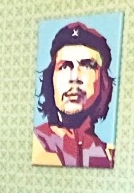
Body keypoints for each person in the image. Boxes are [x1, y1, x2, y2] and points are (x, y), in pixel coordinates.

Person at [32, 21, 117, 168]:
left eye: (87, 65)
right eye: (65, 66)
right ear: (50, 78)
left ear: (103, 81)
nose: (74, 77)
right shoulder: (36, 142)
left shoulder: (110, 155)